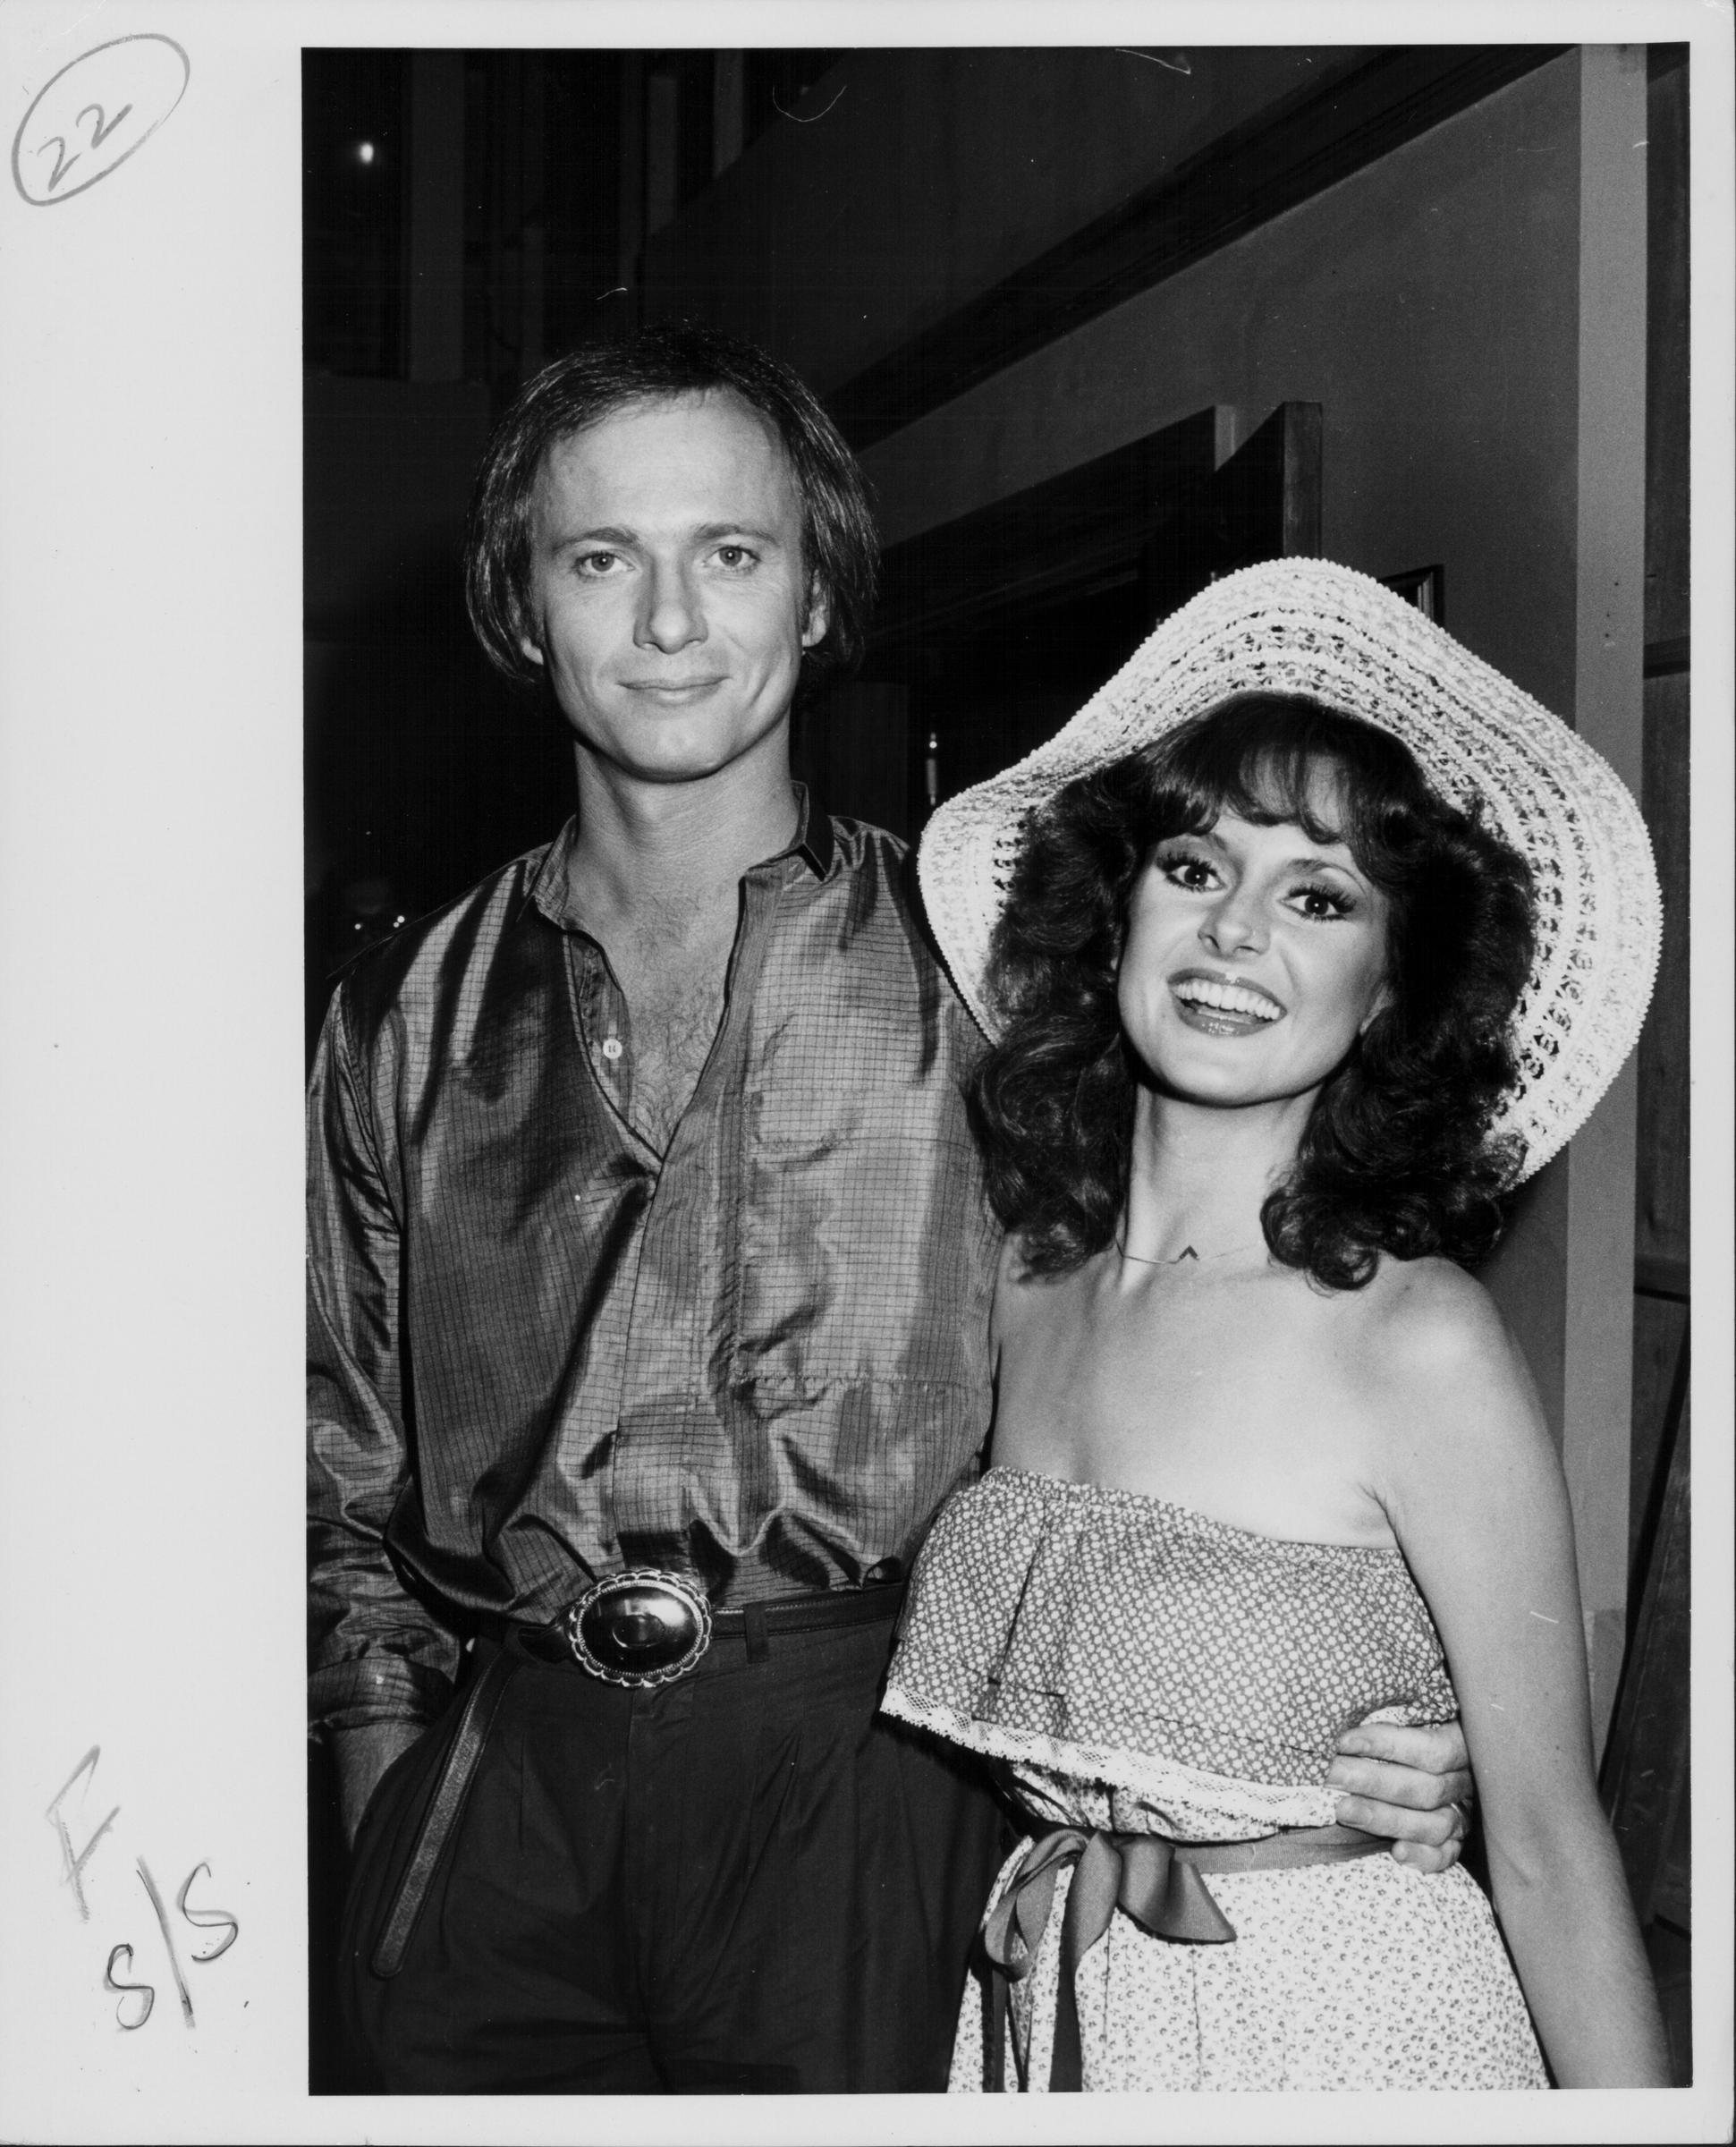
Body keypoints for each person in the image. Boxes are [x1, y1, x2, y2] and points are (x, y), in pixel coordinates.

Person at [307, 328, 1477, 2094]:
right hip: (495, 1796)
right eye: (600, 558)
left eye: (730, 552)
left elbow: (1210, 1333)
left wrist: (1381, 1713)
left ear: (814, 593)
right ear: (521, 606)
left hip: (869, 1778)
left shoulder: (989, 972)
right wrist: (387, 1802)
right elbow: (330, 1465)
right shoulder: (397, 1014)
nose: (669, 621)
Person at [885, 557, 1672, 2091]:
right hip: (1051, 2000)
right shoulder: (1023, 1283)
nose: (1235, 934)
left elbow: (1548, 1846)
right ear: (1115, 911)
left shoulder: (1413, 1339)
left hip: (1339, 2030)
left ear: (1385, 994)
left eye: (1316, 898)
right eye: (1194, 868)